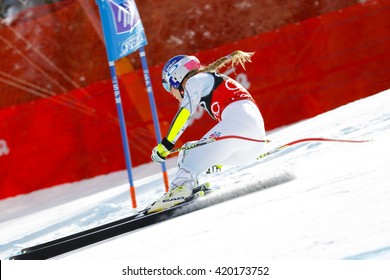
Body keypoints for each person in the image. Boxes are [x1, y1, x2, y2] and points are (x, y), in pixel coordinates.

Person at [149, 50, 266, 212]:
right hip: (251, 140)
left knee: (190, 155)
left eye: (168, 86)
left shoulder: (195, 80)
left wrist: (166, 144)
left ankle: (179, 190)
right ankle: (189, 187)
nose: (171, 93)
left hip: (241, 126)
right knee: (188, 151)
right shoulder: (207, 79)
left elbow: (185, 112)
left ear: (177, 76)